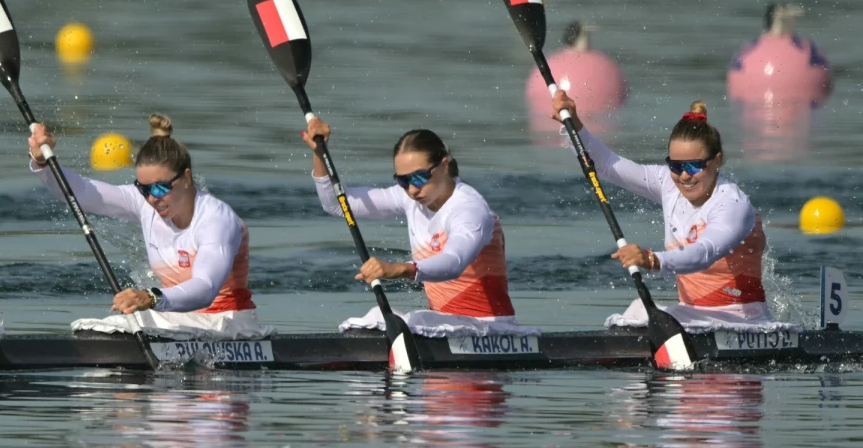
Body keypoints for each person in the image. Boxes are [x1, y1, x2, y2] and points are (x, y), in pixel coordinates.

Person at [550, 90, 781, 329]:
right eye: (676, 165)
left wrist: (652, 260)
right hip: (693, 318)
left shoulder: (732, 205)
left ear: (717, 160)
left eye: (694, 166)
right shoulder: (668, 184)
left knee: (638, 320)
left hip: (742, 321)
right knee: (637, 309)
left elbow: (704, 253)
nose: (683, 176)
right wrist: (574, 125)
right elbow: (608, 164)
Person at [28, 114, 269, 339]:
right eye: (143, 189)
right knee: (98, 327)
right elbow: (79, 192)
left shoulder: (216, 219)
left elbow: (205, 288)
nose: (152, 198)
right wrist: (43, 163)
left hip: (229, 325)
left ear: (186, 178)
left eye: (160, 187)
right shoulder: (145, 203)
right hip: (178, 320)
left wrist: (150, 297)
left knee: (114, 330)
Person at [300, 117, 532, 337]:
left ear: (443, 166)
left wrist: (397, 269)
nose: (411, 189)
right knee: (379, 318)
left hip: (489, 329)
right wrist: (319, 153)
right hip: (444, 325)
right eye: (402, 181)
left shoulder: (469, 210)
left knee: (381, 319)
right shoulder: (409, 199)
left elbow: (453, 263)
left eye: (419, 178)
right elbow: (339, 205)